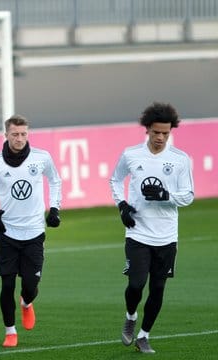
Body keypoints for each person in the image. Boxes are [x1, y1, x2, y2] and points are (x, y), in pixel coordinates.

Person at [110, 102, 194, 354]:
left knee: (157, 288)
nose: (160, 138)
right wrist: (122, 205)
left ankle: (144, 336)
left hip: (167, 236)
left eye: (165, 133)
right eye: (156, 132)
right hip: (138, 232)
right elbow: (115, 180)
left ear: (171, 132)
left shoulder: (180, 160)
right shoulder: (131, 155)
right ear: (147, 130)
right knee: (136, 284)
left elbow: (188, 195)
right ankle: (131, 316)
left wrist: (165, 194)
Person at [0, 114, 62, 348]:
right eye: (15, 134)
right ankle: (10, 331)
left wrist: (54, 208)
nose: (20, 138)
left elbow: (55, 180)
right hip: (7, 233)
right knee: (6, 285)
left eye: (23, 134)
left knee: (31, 286)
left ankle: (26, 303)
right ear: (6, 135)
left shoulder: (41, 157)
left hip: (34, 232)